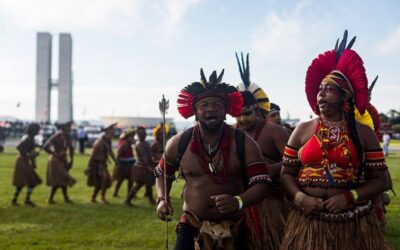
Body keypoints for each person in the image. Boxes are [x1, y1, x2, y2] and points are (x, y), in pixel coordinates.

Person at [280, 30, 391, 250]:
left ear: (346, 96)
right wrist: (302, 199)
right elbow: (286, 174)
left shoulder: (363, 133)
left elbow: (383, 181)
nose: (321, 94)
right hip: (307, 223)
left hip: (353, 223)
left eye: (330, 89)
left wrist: (350, 197)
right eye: (320, 89)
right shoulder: (302, 129)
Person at [155, 69, 271, 249]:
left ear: (226, 111)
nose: (210, 109)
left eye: (217, 105)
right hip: (192, 225)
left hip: (235, 227)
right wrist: (162, 198)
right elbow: (162, 174)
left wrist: (238, 201)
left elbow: (262, 183)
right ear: (195, 111)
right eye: (204, 105)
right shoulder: (178, 143)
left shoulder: (244, 144)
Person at [235, 52, 290, 249]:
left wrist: (269, 169)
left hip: (271, 202)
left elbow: (295, 163)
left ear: (257, 110)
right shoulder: (232, 132)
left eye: (247, 114)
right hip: (239, 201)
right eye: (237, 116)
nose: (242, 120)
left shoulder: (274, 131)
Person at [125, 126, 158, 206]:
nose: (144, 135)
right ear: (139, 135)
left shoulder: (144, 143)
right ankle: (128, 200)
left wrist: (154, 161)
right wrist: (149, 166)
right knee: (138, 185)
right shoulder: (140, 144)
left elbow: (149, 156)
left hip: (144, 166)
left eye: (145, 134)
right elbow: (144, 157)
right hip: (142, 168)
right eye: (142, 134)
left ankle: (151, 200)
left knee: (149, 184)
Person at [43, 122, 76, 204]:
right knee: (60, 179)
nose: (70, 130)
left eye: (70, 128)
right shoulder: (56, 136)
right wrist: (55, 154)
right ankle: (51, 198)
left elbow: (71, 149)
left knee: (63, 179)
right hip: (55, 160)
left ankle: (64, 198)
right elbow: (45, 147)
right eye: (68, 128)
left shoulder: (68, 137)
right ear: (63, 129)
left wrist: (71, 160)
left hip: (64, 160)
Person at [85, 123, 118, 204]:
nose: (114, 132)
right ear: (107, 131)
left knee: (102, 182)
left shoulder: (108, 141)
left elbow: (110, 152)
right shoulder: (99, 142)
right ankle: (102, 197)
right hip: (97, 164)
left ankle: (93, 197)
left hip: (103, 164)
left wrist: (115, 161)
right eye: (112, 130)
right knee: (103, 180)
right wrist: (89, 167)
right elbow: (92, 155)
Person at [11, 123, 42, 206]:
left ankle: (17, 200)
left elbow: (31, 150)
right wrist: (28, 154)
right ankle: (24, 200)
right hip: (22, 161)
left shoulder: (31, 139)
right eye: (38, 129)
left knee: (30, 181)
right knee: (30, 181)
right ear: (34, 130)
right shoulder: (28, 138)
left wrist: (33, 161)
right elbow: (18, 147)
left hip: (25, 161)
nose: (39, 131)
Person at [112, 127, 136, 198]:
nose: (133, 137)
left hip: (128, 163)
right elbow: (118, 153)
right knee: (126, 179)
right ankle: (127, 194)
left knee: (123, 180)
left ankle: (125, 193)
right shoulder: (124, 143)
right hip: (125, 164)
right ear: (128, 136)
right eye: (132, 135)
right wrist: (118, 164)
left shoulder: (126, 142)